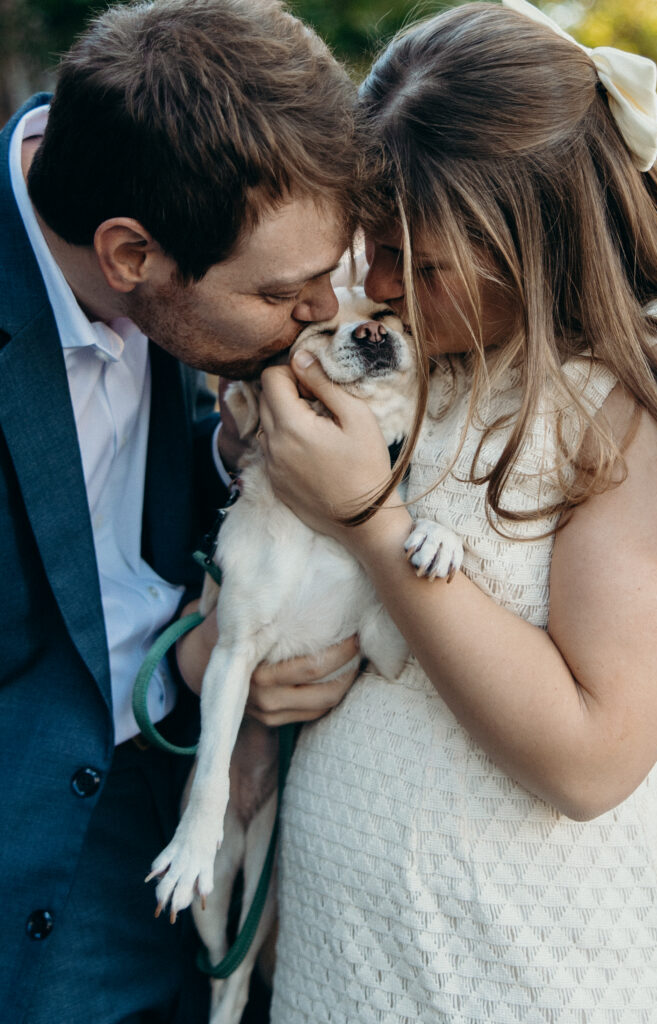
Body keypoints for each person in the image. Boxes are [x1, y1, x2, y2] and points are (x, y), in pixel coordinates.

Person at [254, 1, 657, 1018]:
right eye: (373, 248)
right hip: (342, 952)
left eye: (422, 263)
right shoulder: (422, 343)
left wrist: (366, 516)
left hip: (514, 963)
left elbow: (590, 757)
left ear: (532, 244)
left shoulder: (636, 395)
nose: (384, 287)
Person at [0, 1, 362, 1020]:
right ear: (129, 256)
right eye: (286, 292)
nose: (323, 315)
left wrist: (232, 454)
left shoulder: (177, 262)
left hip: (191, 806)